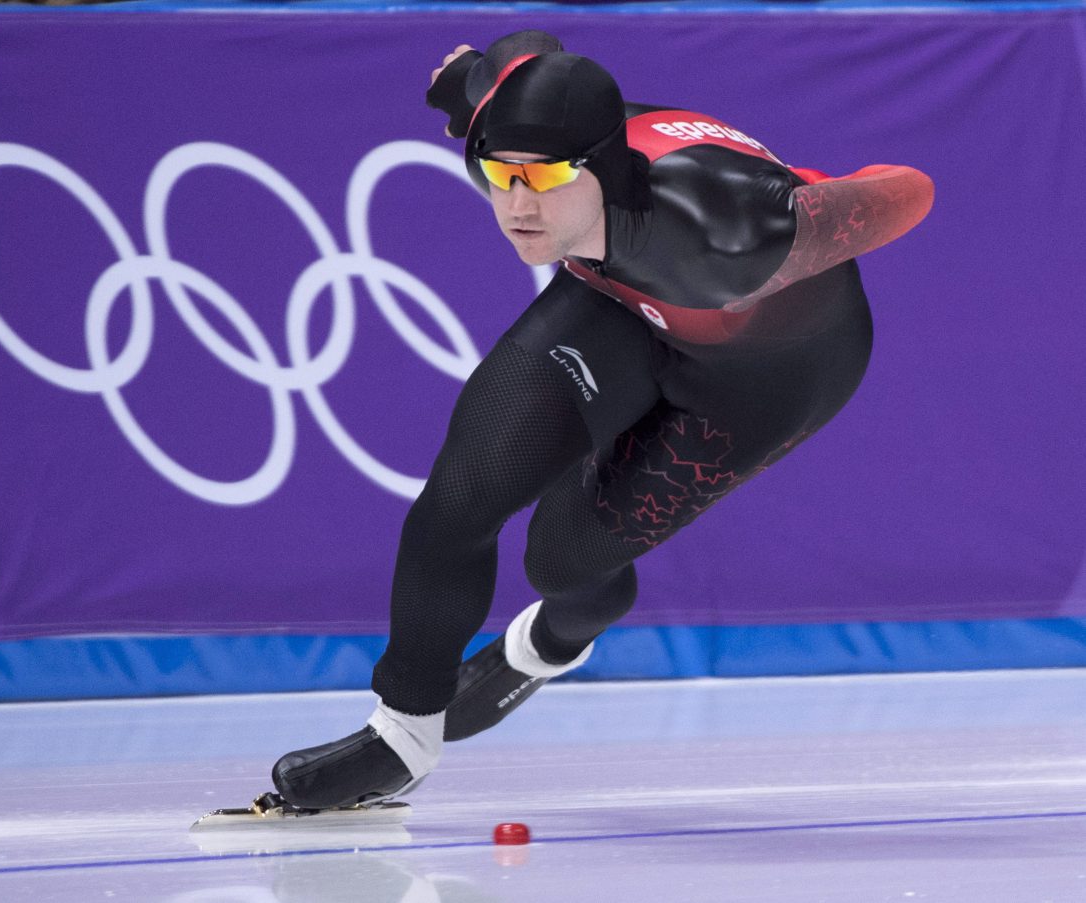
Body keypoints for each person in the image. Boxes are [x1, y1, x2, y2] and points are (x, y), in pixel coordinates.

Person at [270, 30, 934, 810]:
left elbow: (911, 190)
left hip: (769, 371)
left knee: (561, 560)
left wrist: (817, 198)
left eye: (545, 178)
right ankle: (403, 736)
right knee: (461, 494)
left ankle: (549, 643)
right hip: (618, 298)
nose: (518, 205)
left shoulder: (728, 230)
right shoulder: (505, 114)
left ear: (604, 166)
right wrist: (465, 83)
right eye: (499, 176)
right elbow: (522, 58)